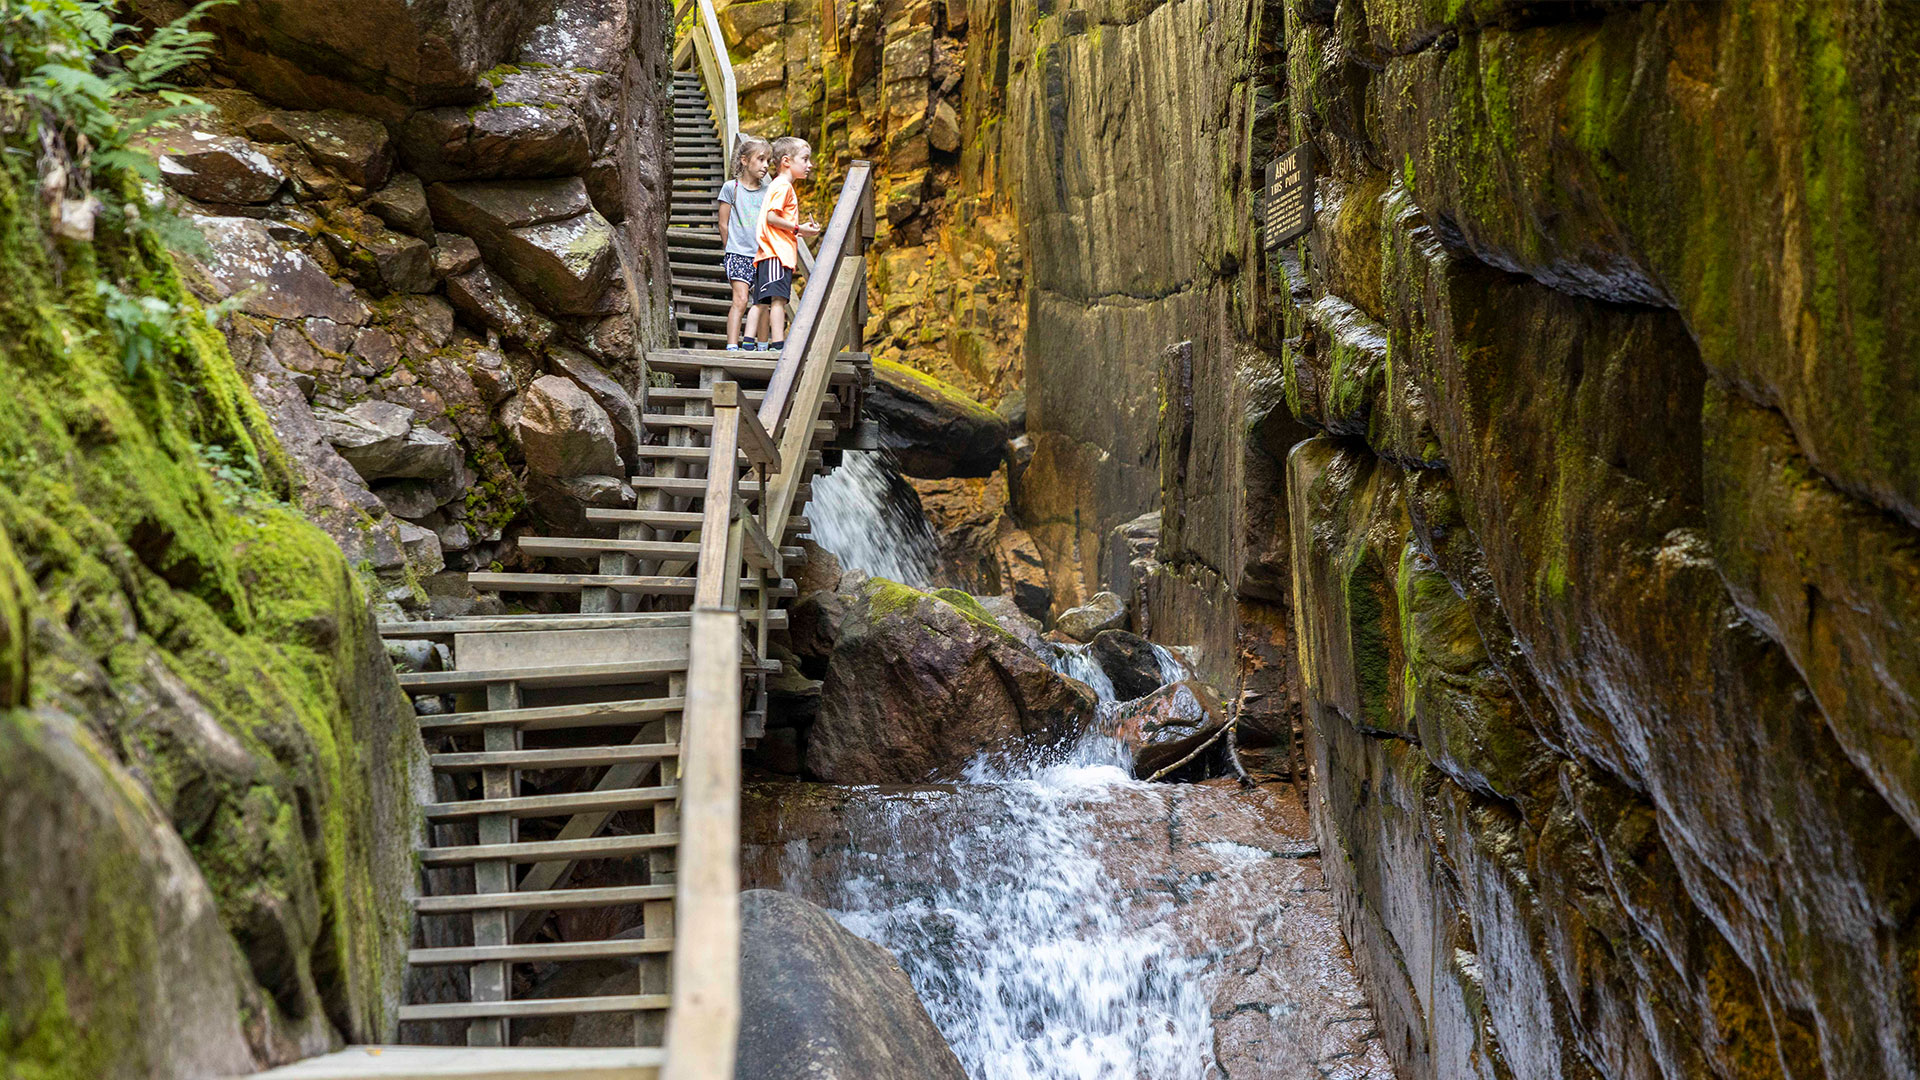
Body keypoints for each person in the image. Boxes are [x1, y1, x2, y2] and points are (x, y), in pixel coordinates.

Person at [750, 136, 823, 353]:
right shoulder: (783, 187)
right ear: (786, 161)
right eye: (805, 159)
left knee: (770, 300)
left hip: (775, 252)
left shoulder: (779, 185)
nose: (810, 165)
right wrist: (798, 229)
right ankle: (778, 345)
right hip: (776, 253)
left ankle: (764, 344)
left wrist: (798, 228)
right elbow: (772, 218)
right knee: (778, 300)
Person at [716, 135, 772, 352]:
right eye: (760, 159)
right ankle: (732, 346)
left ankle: (763, 347)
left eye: (768, 161)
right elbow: (723, 223)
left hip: (762, 255)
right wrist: (730, 249)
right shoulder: (731, 188)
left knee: (763, 303)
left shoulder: (768, 192)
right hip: (737, 253)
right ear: (744, 160)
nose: (765, 166)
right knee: (740, 299)